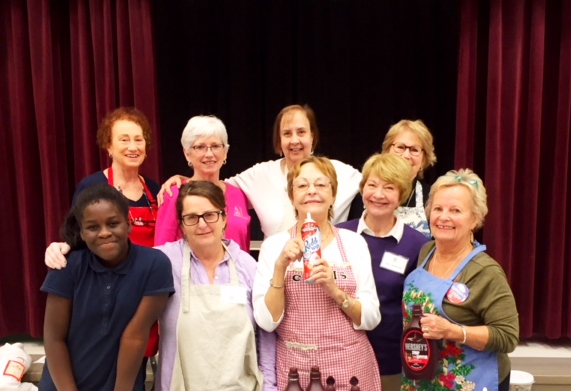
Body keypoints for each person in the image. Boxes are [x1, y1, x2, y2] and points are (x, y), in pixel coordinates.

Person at [253, 156, 384, 391]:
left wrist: (336, 291)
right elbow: (266, 322)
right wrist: (280, 268)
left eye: (321, 184)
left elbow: (371, 317)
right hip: (296, 369)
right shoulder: (274, 245)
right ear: (292, 196)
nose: (312, 190)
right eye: (302, 185)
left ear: (333, 194)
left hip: (349, 368)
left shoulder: (353, 243)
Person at [39, 184, 173, 391]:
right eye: (92, 227)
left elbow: (136, 334)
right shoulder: (67, 266)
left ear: (128, 223)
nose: (104, 233)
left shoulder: (155, 264)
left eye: (113, 223)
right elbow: (54, 337)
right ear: (81, 232)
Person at [401, 169, 519, 391]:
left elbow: (507, 336)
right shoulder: (427, 251)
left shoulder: (485, 271)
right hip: (422, 381)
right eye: (438, 208)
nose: (444, 217)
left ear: (475, 218)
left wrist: (452, 331)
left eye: (455, 211)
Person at [43, 107, 163, 359]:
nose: (133, 146)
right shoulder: (92, 186)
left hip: (143, 290)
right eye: (124, 139)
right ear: (108, 146)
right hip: (104, 291)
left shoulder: (154, 189)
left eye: (138, 139)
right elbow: (76, 234)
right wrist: (62, 246)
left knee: (137, 356)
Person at [154, 181, 278, 391]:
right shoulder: (164, 261)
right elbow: (118, 255)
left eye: (210, 215)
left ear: (224, 218)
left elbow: (266, 331)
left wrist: (270, 386)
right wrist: (65, 248)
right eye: (191, 217)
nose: (202, 224)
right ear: (181, 224)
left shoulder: (247, 265)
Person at [159, 104, 362, 239]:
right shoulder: (260, 175)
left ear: (313, 137)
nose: (294, 140)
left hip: (325, 271)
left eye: (301, 132)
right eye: (287, 133)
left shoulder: (341, 172)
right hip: (274, 275)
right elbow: (214, 183)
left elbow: (378, 183)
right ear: (279, 140)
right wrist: (184, 180)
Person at [337, 154, 429, 391]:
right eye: (372, 185)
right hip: (342, 357)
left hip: (390, 359)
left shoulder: (417, 244)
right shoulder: (339, 235)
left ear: (401, 195)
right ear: (362, 188)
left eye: (389, 187)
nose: (378, 194)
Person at [154, 116, 251, 251]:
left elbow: (244, 248)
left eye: (216, 146)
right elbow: (161, 251)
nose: (209, 154)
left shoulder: (238, 194)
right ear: (187, 153)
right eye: (200, 147)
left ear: (225, 152)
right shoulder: (174, 193)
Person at [381, 119, 437, 238]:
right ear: (387, 151)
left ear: (424, 160)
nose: (406, 155)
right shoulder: (367, 193)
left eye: (414, 150)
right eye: (400, 147)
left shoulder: (433, 197)